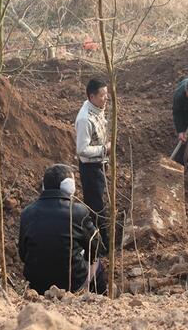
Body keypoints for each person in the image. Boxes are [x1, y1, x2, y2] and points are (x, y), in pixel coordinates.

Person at [18, 164, 106, 294]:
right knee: (97, 264)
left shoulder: (27, 213)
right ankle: (100, 301)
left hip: (37, 285)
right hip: (72, 284)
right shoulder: (78, 212)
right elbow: (97, 247)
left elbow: (23, 254)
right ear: (70, 186)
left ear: (44, 186)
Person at [75, 78, 110, 253]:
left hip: (100, 164)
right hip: (91, 169)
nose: (106, 98)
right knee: (96, 208)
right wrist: (104, 149)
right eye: (103, 95)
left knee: (100, 204)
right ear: (92, 96)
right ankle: (102, 247)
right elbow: (81, 149)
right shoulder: (84, 119)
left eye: (106, 94)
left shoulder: (98, 109)